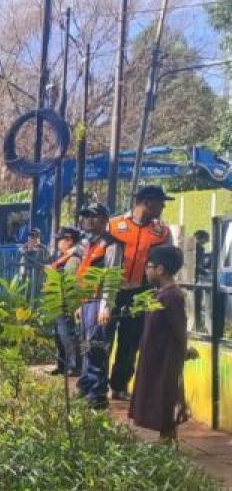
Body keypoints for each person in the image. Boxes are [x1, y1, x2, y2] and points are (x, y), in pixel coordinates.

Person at [105, 185, 174, 401]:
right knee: (102, 339)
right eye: (161, 202)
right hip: (112, 290)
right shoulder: (114, 226)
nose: (163, 207)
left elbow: (168, 262)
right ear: (147, 202)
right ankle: (95, 384)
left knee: (130, 342)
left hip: (140, 292)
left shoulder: (161, 232)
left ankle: (119, 385)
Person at [129, 245, 188, 440]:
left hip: (166, 358)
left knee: (164, 398)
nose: (146, 270)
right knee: (155, 397)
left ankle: (169, 440)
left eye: (149, 266)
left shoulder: (172, 296)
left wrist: (183, 352)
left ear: (160, 269)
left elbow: (179, 330)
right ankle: (166, 440)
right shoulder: (158, 294)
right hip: (154, 356)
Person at [75, 201, 114, 407]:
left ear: (105, 220)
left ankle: (98, 392)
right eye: (86, 215)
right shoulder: (89, 244)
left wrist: (105, 305)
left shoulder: (111, 244)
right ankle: (87, 384)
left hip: (99, 301)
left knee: (97, 346)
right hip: (86, 301)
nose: (89, 219)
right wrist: (79, 305)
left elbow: (111, 276)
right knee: (86, 346)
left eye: (94, 216)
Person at [48, 227, 83, 375]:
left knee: (67, 334)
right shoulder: (64, 256)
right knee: (59, 335)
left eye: (60, 240)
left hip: (66, 302)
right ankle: (62, 365)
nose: (58, 243)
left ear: (69, 241)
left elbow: (71, 282)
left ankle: (73, 365)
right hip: (58, 300)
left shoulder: (74, 258)